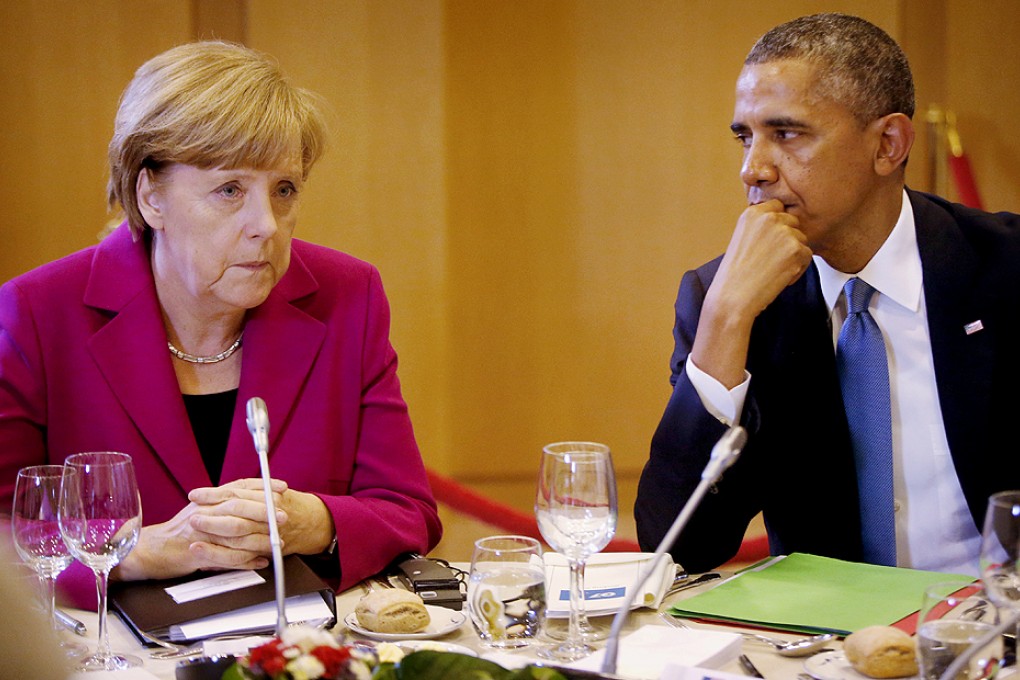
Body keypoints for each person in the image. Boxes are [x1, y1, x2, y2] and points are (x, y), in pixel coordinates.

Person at [0, 41, 442, 607]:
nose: (266, 225)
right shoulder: (39, 312)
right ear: (151, 196)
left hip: (295, 649)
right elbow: (5, 540)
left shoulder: (347, 295)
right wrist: (140, 550)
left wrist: (313, 520)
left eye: (284, 190)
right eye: (230, 190)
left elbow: (407, 511)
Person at [635, 13, 1020, 576]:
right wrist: (724, 320)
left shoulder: (1007, 270)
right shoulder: (727, 298)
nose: (753, 169)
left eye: (786, 134)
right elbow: (679, 547)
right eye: (746, 137)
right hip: (828, 650)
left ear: (888, 144)